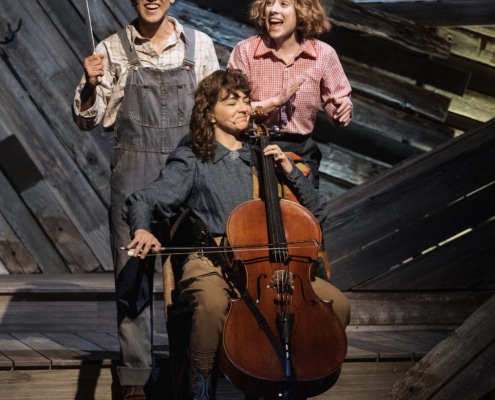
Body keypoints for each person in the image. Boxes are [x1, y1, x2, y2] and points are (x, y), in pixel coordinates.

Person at [123, 69, 350, 399]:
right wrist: (142, 227)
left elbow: (317, 215)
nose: (244, 108)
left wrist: (289, 171)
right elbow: (145, 198)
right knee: (213, 304)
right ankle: (200, 386)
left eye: (246, 100)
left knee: (338, 305)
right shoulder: (193, 158)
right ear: (209, 113)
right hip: (211, 259)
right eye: (232, 103)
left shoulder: (264, 154)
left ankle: (288, 377)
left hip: (271, 263)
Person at [72, 1, 219, 398]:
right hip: (133, 171)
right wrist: (88, 84)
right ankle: (136, 378)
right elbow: (87, 120)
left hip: (187, 174)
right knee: (132, 276)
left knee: (194, 274)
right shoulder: (110, 48)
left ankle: (193, 371)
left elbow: (216, 111)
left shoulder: (200, 45)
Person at [228, 0, 353, 189]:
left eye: (284, 4)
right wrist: (275, 102)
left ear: (302, 12)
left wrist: (341, 110)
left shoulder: (324, 54)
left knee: (303, 215)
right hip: (252, 150)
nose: (274, 10)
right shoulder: (245, 51)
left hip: (300, 155)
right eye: (269, 3)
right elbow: (231, 109)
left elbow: (337, 109)